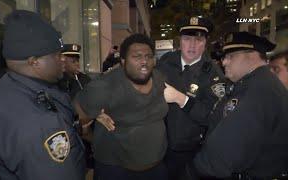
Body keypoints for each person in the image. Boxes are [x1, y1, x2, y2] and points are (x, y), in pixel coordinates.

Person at [0, 10, 85, 180]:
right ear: (34, 61)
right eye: (56, 54)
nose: (63, 59)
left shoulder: (1, 88)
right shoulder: (41, 124)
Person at [184, 32, 288, 179]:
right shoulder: (249, 83)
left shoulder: (258, 91)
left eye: (230, 56)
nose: (224, 62)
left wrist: (194, 173)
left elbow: (223, 153)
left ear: (252, 55)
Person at [74, 34, 168, 180]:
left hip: (156, 167)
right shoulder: (105, 87)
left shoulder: (159, 78)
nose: (144, 61)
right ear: (123, 61)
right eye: (137, 56)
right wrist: (92, 120)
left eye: (149, 56)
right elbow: (77, 114)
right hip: (116, 171)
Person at [156, 16, 226, 179]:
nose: (192, 45)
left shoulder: (214, 74)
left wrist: (182, 100)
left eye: (198, 39)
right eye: (187, 39)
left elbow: (214, 116)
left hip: (192, 152)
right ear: (180, 40)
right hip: (160, 148)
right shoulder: (166, 62)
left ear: (206, 42)